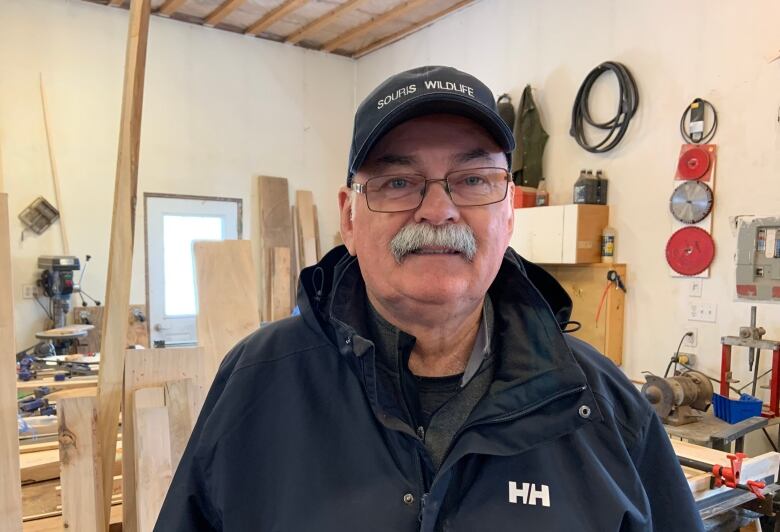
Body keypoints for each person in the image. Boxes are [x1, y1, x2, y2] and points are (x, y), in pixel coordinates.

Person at [155, 65, 703, 531]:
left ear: (508, 213)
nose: (437, 211)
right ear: (349, 215)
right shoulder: (257, 383)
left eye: (471, 180)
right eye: (397, 183)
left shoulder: (600, 406)